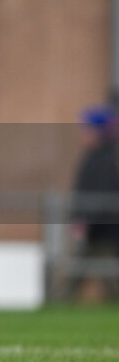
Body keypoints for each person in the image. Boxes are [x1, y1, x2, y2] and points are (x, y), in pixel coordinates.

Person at [69, 105, 119, 301]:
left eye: (87, 129)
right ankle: (60, 303)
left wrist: (84, 221)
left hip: (102, 231)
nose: (83, 134)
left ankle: (59, 303)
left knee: (103, 273)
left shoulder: (104, 160)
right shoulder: (96, 157)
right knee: (83, 273)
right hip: (97, 229)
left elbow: (99, 195)